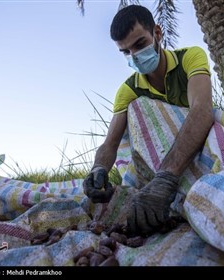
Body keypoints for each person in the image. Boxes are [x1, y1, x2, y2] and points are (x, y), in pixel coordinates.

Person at [83, 5, 214, 235]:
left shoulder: (190, 57)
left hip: (200, 150)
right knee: (135, 107)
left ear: (157, 33)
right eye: (126, 52)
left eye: (140, 44)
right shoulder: (128, 90)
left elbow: (202, 111)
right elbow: (110, 143)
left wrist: (166, 177)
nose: (134, 56)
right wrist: (99, 168)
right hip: (158, 166)